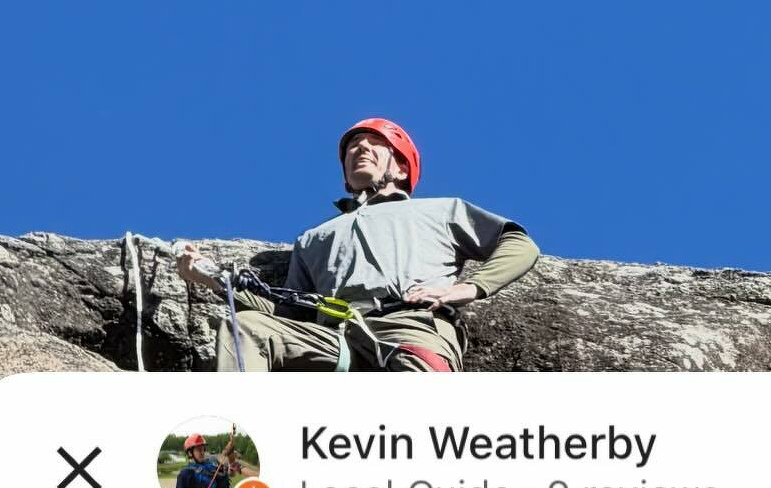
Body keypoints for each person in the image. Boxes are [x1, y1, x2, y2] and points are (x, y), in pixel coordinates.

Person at [175, 118, 539, 372]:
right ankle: (241, 445)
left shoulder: (442, 211)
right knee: (248, 328)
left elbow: (518, 243)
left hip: (408, 326)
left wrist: (468, 288)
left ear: (399, 168)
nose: (359, 147)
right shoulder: (315, 238)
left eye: (375, 143)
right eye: (352, 146)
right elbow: (288, 311)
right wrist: (212, 277)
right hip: (334, 337)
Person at [172, 433, 236, 488]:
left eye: (203, 449)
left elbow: (232, 474)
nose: (202, 452)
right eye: (199, 450)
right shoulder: (186, 473)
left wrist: (231, 453)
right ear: (190, 453)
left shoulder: (212, 462)